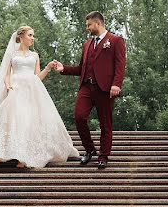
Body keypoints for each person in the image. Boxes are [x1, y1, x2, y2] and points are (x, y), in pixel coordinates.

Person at [0, 26, 80, 168]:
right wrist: (8, 86)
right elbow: (7, 74)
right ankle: (12, 153)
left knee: (30, 120)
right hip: (16, 88)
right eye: (30, 35)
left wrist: (47, 68)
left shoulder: (35, 56)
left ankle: (25, 157)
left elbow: (37, 77)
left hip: (32, 90)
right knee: (15, 120)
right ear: (21, 36)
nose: (33, 38)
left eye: (33, 35)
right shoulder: (12, 54)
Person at [52, 11, 126, 169]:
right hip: (86, 87)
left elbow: (120, 64)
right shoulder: (86, 45)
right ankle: (90, 149)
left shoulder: (115, 40)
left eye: (89, 25)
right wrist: (63, 68)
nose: (87, 28)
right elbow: (82, 68)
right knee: (79, 117)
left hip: (105, 89)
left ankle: (103, 156)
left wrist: (116, 84)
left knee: (105, 124)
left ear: (98, 23)